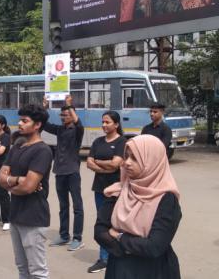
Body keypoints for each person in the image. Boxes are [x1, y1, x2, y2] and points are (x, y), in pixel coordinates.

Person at [94, 135, 182, 279]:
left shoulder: (166, 199)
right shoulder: (119, 190)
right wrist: (132, 247)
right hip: (119, 268)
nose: (127, 162)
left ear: (152, 161)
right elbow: (99, 232)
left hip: (153, 271)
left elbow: (155, 246)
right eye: (126, 156)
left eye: (135, 158)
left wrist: (119, 236)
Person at [0, 104, 53, 279]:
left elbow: (29, 187)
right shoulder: (17, 147)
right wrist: (17, 180)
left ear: (37, 125)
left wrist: (11, 184)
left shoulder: (43, 150)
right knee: (22, 268)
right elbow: (0, 178)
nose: (19, 124)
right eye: (20, 120)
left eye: (24, 121)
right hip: (16, 215)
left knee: (37, 271)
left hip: (33, 217)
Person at [43, 95, 85, 251]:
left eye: (65, 115)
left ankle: (78, 238)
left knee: (77, 206)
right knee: (63, 206)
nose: (62, 117)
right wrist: (45, 107)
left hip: (72, 171)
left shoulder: (77, 130)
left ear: (72, 115)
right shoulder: (60, 129)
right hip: (59, 171)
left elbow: (78, 122)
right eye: (61, 115)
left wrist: (69, 105)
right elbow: (45, 125)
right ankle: (64, 235)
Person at [86, 111, 126, 273]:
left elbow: (116, 165)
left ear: (116, 124)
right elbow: (89, 163)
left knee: (118, 222)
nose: (104, 125)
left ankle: (119, 254)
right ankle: (104, 258)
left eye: (107, 122)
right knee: (102, 223)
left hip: (117, 189)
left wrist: (98, 162)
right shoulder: (97, 141)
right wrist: (104, 166)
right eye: (103, 122)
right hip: (99, 189)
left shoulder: (122, 142)